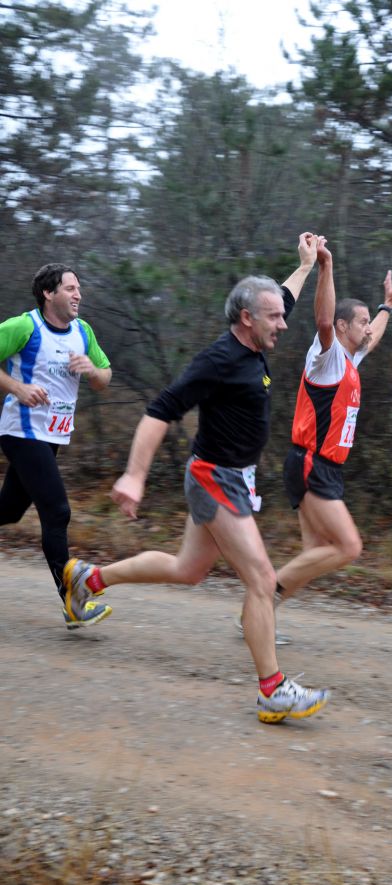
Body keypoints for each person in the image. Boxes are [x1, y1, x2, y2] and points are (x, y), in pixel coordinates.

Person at [63, 233, 330, 724]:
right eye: (274, 317)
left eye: (281, 314)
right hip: (215, 478)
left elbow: (283, 294)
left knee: (188, 570)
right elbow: (159, 412)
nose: (283, 323)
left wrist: (306, 264)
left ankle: (89, 578)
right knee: (262, 579)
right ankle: (272, 690)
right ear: (247, 318)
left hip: (234, 477)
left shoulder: (256, 335)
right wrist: (134, 476)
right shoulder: (218, 359)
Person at [273, 238, 392, 609]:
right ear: (343, 327)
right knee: (347, 547)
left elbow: (371, 338)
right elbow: (324, 319)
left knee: (313, 555)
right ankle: (262, 598)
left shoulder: (349, 361)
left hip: (318, 466)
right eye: (361, 323)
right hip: (312, 463)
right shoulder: (326, 356)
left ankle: (258, 615)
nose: (368, 329)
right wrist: (325, 266)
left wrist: (385, 306)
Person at [0, 263, 113, 628]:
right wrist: (18, 388)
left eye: (78, 288)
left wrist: (91, 370)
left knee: (10, 510)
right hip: (21, 430)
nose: (78, 294)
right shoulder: (24, 327)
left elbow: (104, 378)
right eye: (69, 288)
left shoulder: (83, 332)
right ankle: (73, 602)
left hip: (53, 435)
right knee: (57, 511)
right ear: (49, 294)